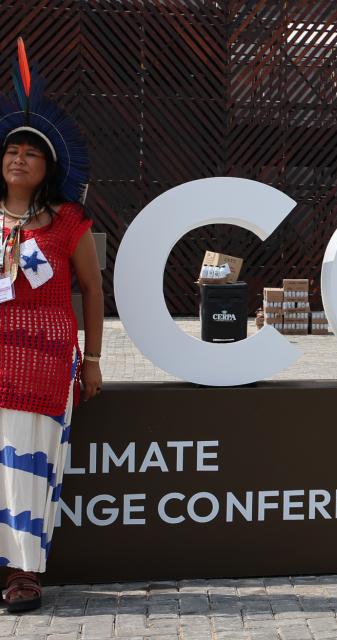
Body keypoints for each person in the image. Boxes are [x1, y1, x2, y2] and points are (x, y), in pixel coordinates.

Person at [0, 39, 100, 612]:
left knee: (26, 464)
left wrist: (92, 359)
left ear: (48, 168)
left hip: (42, 367)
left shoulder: (68, 222)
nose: (18, 159)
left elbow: (92, 289)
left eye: (30, 154)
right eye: (11, 150)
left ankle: (23, 573)